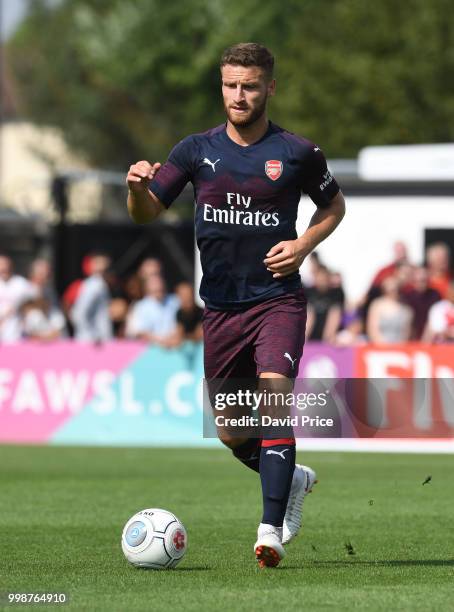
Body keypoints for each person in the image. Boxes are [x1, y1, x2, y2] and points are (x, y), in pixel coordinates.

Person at [126, 43, 345, 567]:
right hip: (221, 308)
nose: (238, 95)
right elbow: (146, 212)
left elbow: (333, 206)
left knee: (273, 402)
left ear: (270, 87)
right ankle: (294, 477)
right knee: (229, 430)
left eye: (249, 85)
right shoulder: (194, 150)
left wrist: (302, 245)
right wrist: (136, 189)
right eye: (230, 85)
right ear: (221, 86)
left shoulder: (297, 153)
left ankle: (269, 529)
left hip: (277, 301)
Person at [126, 274, 180, 347]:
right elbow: (137, 331)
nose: (158, 288)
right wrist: (161, 341)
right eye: (155, 289)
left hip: (175, 346)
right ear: (147, 288)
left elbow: (181, 324)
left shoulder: (175, 301)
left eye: (160, 288)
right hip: (150, 348)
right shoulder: (139, 307)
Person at [71, 252, 113, 343]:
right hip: (93, 343)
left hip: (97, 340)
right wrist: (91, 335)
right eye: (99, 263)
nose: (104, 266)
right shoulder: (95, 284)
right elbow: (78, 313)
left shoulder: (99, 284)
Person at [366, 275, 413, 344]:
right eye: (390, 289)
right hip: (380, 347)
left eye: (396, 289)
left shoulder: (406, 308)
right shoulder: (377, 305)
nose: (393, 292)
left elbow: (407, 331)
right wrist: (384, 346)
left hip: (400, 348)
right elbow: (372, 329)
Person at [0, 254, 32, 343]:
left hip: (17, 333)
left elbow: (33, 304)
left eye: (5, 265)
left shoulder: (22, 284)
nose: (3, 268)